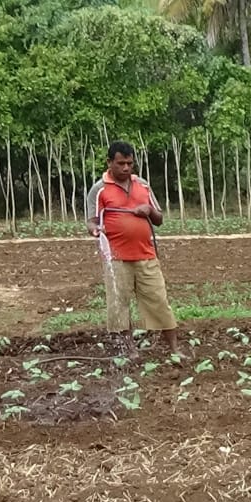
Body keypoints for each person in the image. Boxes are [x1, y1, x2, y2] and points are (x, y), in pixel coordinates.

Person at [85, 141, 182, 357]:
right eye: (121, 163)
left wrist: (148, 210)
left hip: (145, 254)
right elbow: (91, 221)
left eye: (129, 163)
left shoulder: (143, 185)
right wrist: (95, 229)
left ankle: (175, 349)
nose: (126, 168)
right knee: (119, 305)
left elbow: (159, 218)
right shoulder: (98, 189)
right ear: (109, 162)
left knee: (159, 301)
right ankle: (128, 352)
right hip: (116, 258)